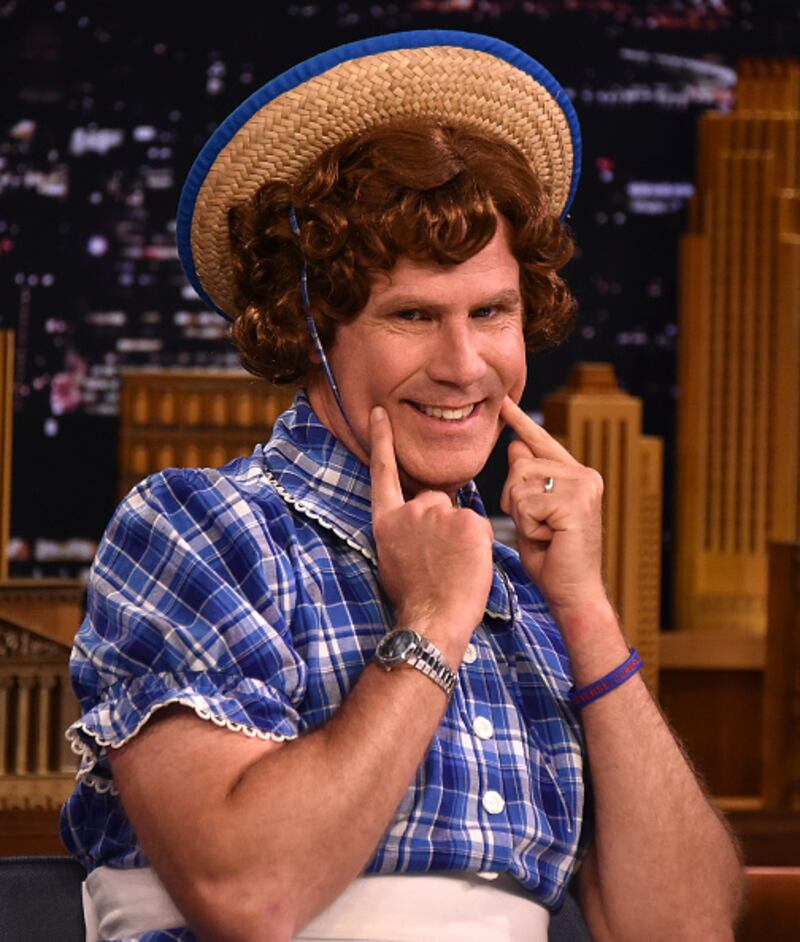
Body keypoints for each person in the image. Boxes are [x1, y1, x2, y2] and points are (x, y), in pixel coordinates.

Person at [61, 31, 743, 942]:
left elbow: (688, 930)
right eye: (413, 315)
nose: (464, 365)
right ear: (309, 329)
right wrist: (431, 621)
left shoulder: (531, 600)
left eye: (491, 312)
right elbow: (249, 894)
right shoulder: (198, 528)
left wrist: (584, 610)